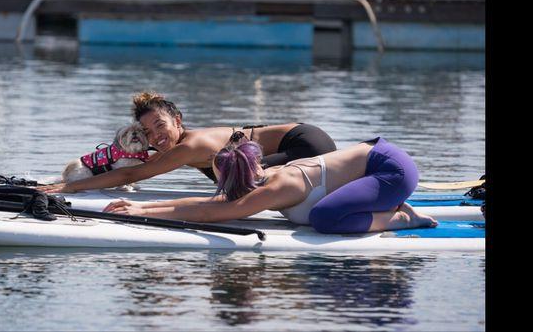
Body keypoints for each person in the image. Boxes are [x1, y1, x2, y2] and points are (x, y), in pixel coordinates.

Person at [103, 136, 437, 234]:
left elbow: (209, 212)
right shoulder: (259, 176)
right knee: (324, 212)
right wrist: (142, 207)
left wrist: (139, 210)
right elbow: (213, 204)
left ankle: (402, 218)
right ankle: (384, 206)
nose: (219, 187)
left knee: (325, 219)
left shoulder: (277, 188)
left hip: (391, 169)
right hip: (371, 163)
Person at [38, 92, 337, 193]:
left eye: (161, 126)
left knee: (253, 181)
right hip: (301, 141)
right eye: (148, 132)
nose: (156, 137)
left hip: (303, 143)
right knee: (246, 182)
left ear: (178, 120)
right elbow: (124, 166)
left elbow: (131, 175)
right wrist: (78, 175)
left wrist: (71, 188)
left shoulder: (190, 146)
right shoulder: (169, 146)